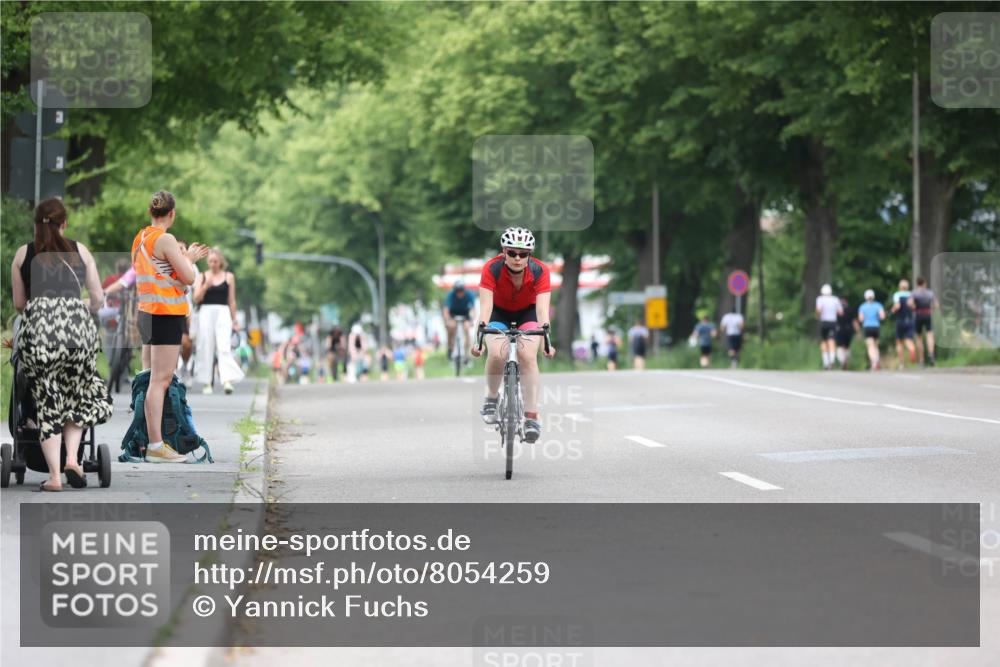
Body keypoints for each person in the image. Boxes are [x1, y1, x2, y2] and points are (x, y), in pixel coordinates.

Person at [10, 198, 114, 490]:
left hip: (40, 336)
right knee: (78, 393)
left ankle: (54, 477)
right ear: (64, 223)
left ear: (36, 224)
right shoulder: (80, 251)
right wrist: (74, 303)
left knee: (46, 398)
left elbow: (20, 304)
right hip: (77, 334)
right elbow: (97, 300)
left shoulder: (23, 254)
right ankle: (73, 460)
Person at [132, 190, 210, 462]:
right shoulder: (164, 239)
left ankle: (149, 440)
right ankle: (156, 444)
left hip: (147, 312)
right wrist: (188, 257)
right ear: (172, 214)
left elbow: (161, 275)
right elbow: (188, 277)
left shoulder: (140, 238)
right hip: (165, 313)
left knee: (151, 377)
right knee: (161, 380)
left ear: (150, 211)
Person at [470, 227, 555, 443]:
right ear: (503, 251)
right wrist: (479, 338)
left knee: (527, 356)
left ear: (530, 255)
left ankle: (532, 415)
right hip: (498, 312)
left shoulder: (540, 271)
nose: (517, 258)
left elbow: (543, 311)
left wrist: (547, 341)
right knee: (498, 353)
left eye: (523, 254)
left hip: (528, 312)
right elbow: (486, 308)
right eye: (512, 253)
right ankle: (491, 397)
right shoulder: (491, 268)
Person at [192, 248, 244, 394]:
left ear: (220, 261)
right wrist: (205, 286)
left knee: (224, 346)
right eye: (210, 261)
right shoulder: (202, 276)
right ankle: (207, 381)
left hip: (223, 312)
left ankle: (227, 380)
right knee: (206, 345)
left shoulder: (229, 277)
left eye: (215, 261)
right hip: (206, 312)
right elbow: (196, 298)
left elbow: (232, 301)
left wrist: (235, 320)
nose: (213, 264)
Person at [443, 278, 476, 360]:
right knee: (451, 327)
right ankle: (450, 348)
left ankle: (466, 352)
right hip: (453, 315)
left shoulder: (469, 295)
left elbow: (472, 309)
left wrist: (471, 319)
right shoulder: (451, 295)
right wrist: (447, 320)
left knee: (467, 328)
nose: (459, 293)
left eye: (461, 291)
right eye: (457, 291)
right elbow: (446, 309)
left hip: (465, 315)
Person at [815, 283, 843, 370]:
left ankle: (826, 362)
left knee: (824, 342)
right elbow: (840, 312)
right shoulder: (835, 299)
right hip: (833, 322)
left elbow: (819, 310)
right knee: (832, 341)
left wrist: (818, 316)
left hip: (824, 322)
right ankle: (832, 360)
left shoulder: (820, 299)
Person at [891, 278, 917, 370]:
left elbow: (897, 306)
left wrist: (892, 310)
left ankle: (901, 363)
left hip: (900, 320)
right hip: (910, 320)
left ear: (900, 287)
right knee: (909, 340)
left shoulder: (897, 295)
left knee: (899, 342)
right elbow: (913, 307)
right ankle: (912, 349)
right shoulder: (911, 295)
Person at [857, 288, 886, 371]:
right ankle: (877, 361)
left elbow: (861, 319)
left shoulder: (862, 306)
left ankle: (873, 363)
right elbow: (882, 316)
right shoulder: (878, 305)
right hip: (876, 326)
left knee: (870, 346)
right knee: (876, 346)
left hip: (867, 327)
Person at [912, 277, 937, 366]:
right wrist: (931, 310)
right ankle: (931, 353)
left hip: (918, 315)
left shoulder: (914, 293)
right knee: (929, 334)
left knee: (918, 337)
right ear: (924, 283)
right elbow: (936, 305)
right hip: (927, 314)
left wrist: (914, 308)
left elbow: (910, 303)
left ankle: (922, 360)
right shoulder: (930, 293)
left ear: (917, 283)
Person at [834, 296, 859, 370]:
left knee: (839, 347)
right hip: (849, 330)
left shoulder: (837, 310)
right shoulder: (850, 309)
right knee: (847, 347)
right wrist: (858, 332)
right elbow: (854, 321)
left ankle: (842, 360)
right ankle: (846, 360)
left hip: (839, 330)